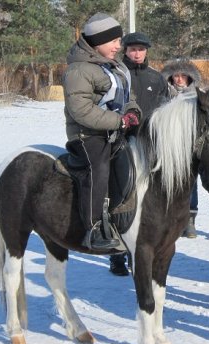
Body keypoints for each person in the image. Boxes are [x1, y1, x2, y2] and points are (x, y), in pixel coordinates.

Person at [63, 13, 140, 252]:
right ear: (97, 42)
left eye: (119, 41)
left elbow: (128, 97)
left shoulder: (114, 67)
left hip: (115, 131)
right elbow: (81, 110)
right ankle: (94, 226)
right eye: (113, 41)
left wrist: (134, 113)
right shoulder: (79, 70)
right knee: (98, 167)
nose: (119, 46)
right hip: (87, 136)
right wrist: (119, 121)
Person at [108, 31, 169, 276]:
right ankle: (117, 253)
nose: (137, 53)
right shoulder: (116, 74)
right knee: (121, 195)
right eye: (132, 49)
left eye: (141, 49)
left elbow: (166, 108)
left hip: (151, 145)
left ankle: (140, 250)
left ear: (147, 51)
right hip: (121, 141)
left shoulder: (157, 77)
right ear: (125, 50)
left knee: (149, 198)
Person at [161, 59, 202, 238]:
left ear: (189, 77)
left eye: (183, 76)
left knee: (190, 184)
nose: (179, 80)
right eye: (175, 76)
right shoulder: (163, 95)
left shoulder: (197, 97)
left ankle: (190, 219)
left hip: (190, 147)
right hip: (168, 147)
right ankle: (172, 218)